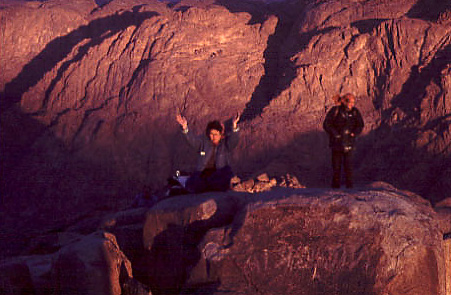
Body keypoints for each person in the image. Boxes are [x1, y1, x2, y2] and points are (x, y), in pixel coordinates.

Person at [176, 113, 241, 193]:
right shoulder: (203, 142)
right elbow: (193, 141)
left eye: (216, 134)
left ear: (221, 135)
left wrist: (234, 125)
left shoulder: (225, 144)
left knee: (220, 181)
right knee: (194, 183)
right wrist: (185, 128)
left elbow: (234, 141)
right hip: (203, 173)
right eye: (211, 134)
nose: (213, 137)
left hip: (219, 173)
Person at [323, 93, 364, 188]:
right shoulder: (335, 111)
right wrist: (335, 134)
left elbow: (360, 124)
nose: (352, 104)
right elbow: (327, 124)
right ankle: (335, 187)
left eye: (353, 102)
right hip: (336, 143)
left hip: (349, 143)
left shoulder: (355, 112)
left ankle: (349, 187)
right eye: (351, 102)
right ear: (345, 102)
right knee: (336, 166)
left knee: (348, 166)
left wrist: (354, 133)